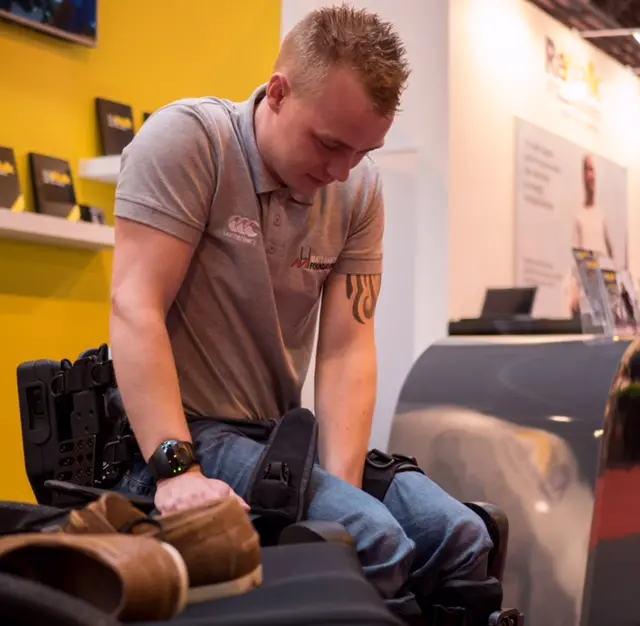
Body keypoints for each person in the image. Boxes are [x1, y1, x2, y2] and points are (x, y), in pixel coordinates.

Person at [110, 3, 493, 613]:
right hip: (183, 434)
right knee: (374, 542)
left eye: (363, 152)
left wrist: (342, 491)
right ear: (280, 93)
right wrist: (176, 470)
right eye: (330, 143)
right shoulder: (190, 141)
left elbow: (346, 350)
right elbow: (135, 306)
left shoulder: (359, 188)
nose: (341, 170)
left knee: (462, 537)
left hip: (281, 437)